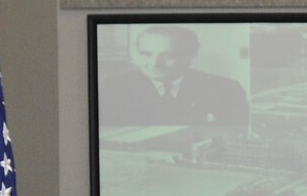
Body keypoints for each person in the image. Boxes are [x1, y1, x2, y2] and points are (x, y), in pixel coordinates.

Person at [101, 25, 248, 130]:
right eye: (146, 54)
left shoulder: (226, 90)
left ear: (191, 55)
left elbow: (237, 136)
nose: (154, 64)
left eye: (168, 56)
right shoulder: (112, 88)